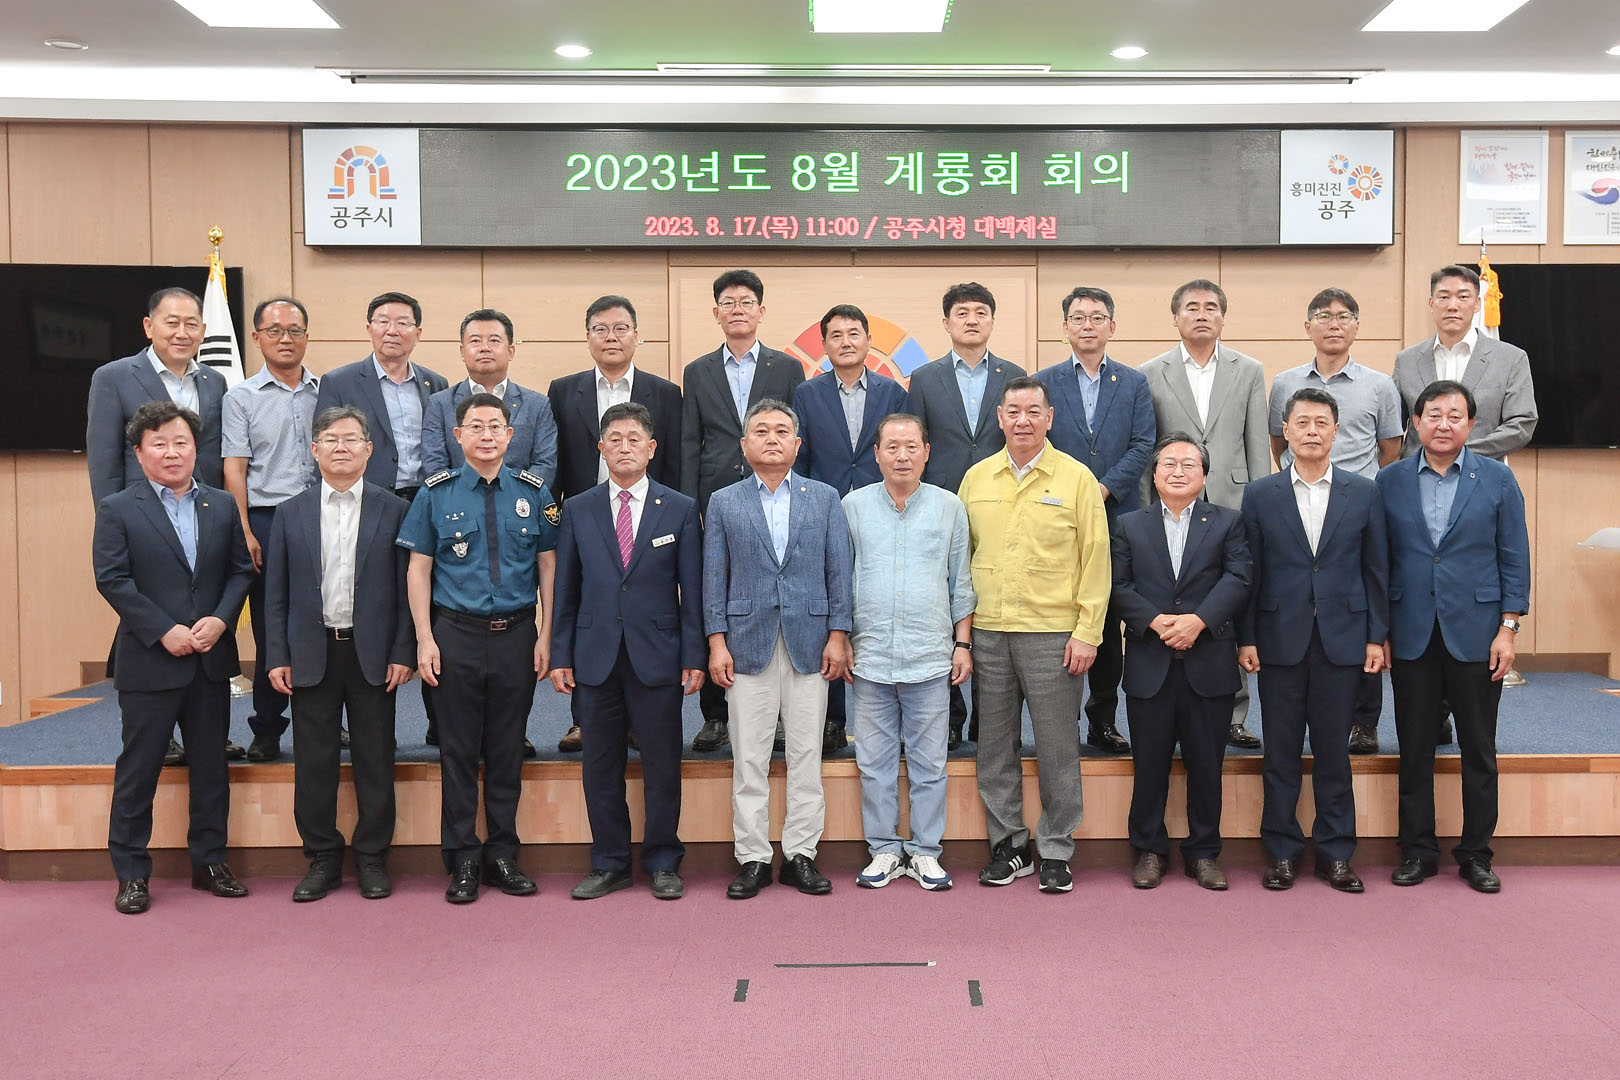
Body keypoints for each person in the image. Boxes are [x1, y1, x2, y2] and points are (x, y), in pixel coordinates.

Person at [92, 400, 255, 913]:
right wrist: (163, 630)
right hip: (151, 660)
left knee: (211, 767)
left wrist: (221, 620)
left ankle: (210, 862)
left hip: (209, 657)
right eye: (159, 443)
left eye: (181, 442)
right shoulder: (118, 508)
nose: (172, 452)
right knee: (139, 770)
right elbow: (112, 579)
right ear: (139, 452)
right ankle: (131, 873)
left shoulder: (222, 505)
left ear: (195, 448)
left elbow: (240, 571)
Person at [396, 392, 559, 904]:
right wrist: (424, 637)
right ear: (458, 435)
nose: (486, 435)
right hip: (454, 635)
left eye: (495, 427)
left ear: (510, 437)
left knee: (507, 749)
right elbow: (418, 569)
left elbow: (548, 567)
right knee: (458, 752)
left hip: (516, 636)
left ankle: (503, 854)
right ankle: (463, 857)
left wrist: (547, 634)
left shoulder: (534, 492)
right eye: (476, 426)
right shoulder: (435, 493)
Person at [959, 377, 1110, 894]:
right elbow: (961, 557)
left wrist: (1088, 631)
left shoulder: (1077, 478)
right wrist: (962, 635)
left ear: (1049, 418)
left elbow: (1096, 558)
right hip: (990, 630)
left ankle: (1056, 848)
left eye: (1033, 411)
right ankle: (1008, 845)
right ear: (1000, 418)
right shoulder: (977, 478)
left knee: (1056, 745)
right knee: (993, 745)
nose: (1022, 420)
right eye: (1013, 411)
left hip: (1053, 634)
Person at [1378, 380, 1530, 894]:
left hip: (1478, 634)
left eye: (1455, 416)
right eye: (1434, 415)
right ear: (1416, 422)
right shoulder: (1390, 480)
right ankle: (1417, 851)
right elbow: (1378, 562)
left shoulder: (1497, 479)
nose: (1444, 424)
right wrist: (1380, 632)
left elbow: (1514, 556)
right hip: (1412, 632)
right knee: (1414, 749)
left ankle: (1476, 855)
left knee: (1479, 750)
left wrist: (1508, 628)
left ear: (1471, 423)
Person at [550, 402, 704, 901]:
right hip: (594, 656)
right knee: (599, 766)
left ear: (651, 448)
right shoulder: (578, 509)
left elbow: (692, 592)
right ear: (601, 448)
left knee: (662, 765)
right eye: (614, 439)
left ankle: (663, 861)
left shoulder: (679, 508)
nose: (624, 447)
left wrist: (694, 656)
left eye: (634, 438)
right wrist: (559, 654)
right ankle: (609, 861)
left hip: (658, 655)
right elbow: (565, 590)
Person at [262, 405, 414, 902]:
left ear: (369, 450)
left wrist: (403, 651)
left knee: (376, 761)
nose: (341, 447)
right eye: (330, 439)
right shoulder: (290, 512)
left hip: (373, 656)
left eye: (351, 439)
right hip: (311, 653)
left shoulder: (394, 509)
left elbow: (406, 590)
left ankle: (371, 858)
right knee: (314, 764)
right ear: (314, 450)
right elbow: (275, 595)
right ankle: (322, 858)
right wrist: (277, 655)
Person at [1239, 388, 1388, 893]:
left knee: (1334, 755)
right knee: (1279, 754)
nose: (1311, 431)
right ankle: (1281, 853)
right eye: (1301, 422)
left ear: (1336, 431)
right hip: (1278, 640)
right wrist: (1247, 637)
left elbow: (1376, 571)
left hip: (1342, 642)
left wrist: (1376, 638)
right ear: (1286, 432)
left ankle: (1336, 854)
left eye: (1321, 423)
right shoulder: (1261, 494)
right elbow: (1250, 574)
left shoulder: (1363, 492)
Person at [704, 399, 852, 899]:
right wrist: (716, 642)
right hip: (746, 644)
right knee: (750, 757)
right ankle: (752, 857)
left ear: (797, 443)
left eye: (782, 431)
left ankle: (801, 854)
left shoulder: (824, 498)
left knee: (807, 754)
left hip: (812, 643)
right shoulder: (724, 501)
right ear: (744, 445)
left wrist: (839, 634)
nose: (772, 438)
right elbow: (713, 578)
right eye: (761, 431)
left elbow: (838, 571)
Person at [86, 286, 239, 766]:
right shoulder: (114, 376)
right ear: (149, 326)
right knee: (148, 617)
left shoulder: (214, 380)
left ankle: (203, 729)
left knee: (199, 608)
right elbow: (104, 458)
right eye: (172, 322)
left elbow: (212, 455)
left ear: (203, 331)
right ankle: (160, 729)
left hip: (200, 513)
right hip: (141, 520)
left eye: (192, 323)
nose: (182, 332)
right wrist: (114, 522)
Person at [1394, 264, 1539, 730]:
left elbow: (1523, 422)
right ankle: (1434, 713)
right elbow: (1402, 429)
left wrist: (1462, 452)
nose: (1452, 304)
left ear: (1478, 303)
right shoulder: (1407, 360)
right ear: (1430, 303)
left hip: (1482, 487)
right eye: (1443, 296)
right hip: (1421, 488)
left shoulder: (1509, 357)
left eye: (1462, 296)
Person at [1112, 434, 1251, 891]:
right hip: (1150, 663)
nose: (1177, 471)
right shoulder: (1130, 525)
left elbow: (1238, 578)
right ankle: (1149, 850)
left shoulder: (1228, 522)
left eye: (1189, 464)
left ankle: (1204, 853)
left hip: (1208, 661)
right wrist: (1156, 622)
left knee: (1207, 765)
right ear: (1154, 475)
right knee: (1149, 765)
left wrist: (1199, 621)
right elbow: (1118, 585)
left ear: (1204, 475)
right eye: (1168, 463)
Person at [841, 413, 975, 891]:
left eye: (911, 446)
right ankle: (883, 849)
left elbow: (962, 583)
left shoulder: (949, 507)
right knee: (873, 764)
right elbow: (841, 580)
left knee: (929, 764)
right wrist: (842, 638)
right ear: (876, 454)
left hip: (930, 655)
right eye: (892, 447)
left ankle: (924, 851)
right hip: (871, 657)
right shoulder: (852, 507)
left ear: (927, 452)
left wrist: (963, 644)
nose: (902, 455)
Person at [1268, 288, 1403, 755]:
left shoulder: (1380, 385)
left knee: (1358, 604)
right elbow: (1277, 444)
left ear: (1357, 327)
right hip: (1300, 504)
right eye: (1324, 316)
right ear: (1308, 326)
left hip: (1357, 508)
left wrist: (1355, 489)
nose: (1334, 324)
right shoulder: (1285, 383)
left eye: (1344, 316)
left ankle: (1364, 720)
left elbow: (1391, 448)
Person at [546, 295, 683, 752]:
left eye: (621, 328)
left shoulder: (665, 393)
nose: (611, 337)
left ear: (637, 336)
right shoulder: (563, 390)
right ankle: (584, 719)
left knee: (644, 612)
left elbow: (674, 464)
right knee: (588, 614)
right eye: (601, 329)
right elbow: (557, 462)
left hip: (648, 518)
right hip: (587, 520)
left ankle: (639, 720)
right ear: (588, 337)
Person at [316, 291, 449, 752]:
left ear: (418, 331)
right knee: (367, 597)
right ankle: (353, 713)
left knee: (430, 604)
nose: (393, 330)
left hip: (424, 502)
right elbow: (327, 443)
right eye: (383, 321)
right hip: (367, 502)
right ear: (369, 328)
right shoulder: (339, 381)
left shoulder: (435, 383)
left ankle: (440, 717)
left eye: (403, 322)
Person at [1139, 279, 1270, 750]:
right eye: (1191, 307)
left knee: (1231, 602)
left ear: (1222, 317)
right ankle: (1173, 708)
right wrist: (1148, 507)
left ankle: (1234, 713)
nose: (1201, 314)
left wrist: (1260, 504)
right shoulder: (1150, 372)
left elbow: (1257, 442)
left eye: (1211, 307)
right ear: (1175, 317)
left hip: (1233, 502)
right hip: (1171, 503)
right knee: (1177, 600)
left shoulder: (1249, 369)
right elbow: (1148, 448)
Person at [680, 270, 806, 753]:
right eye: (729, 302)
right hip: (717, 498)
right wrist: (691, 507)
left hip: (775, 495)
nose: (738, 309)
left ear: (761, 311)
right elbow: (691, 442)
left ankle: (778, 715)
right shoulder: (698, 370)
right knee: (715, 596)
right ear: (716, 313)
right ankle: (715, 714)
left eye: (747, 301)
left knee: (773, 596)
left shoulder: (787, 367)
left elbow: (794, 436)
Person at [1035, 286, 1156, 756]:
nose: (1088, 325)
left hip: (1116, 514)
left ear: (1112, 326)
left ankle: (1102, 720)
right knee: (1061, 617)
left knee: (1105, 621)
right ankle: (1059, 721)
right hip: (1055, 515)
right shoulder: (1043, 382)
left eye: (1097, 317)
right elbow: (1037, 442)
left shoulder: (1134, 382)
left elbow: (1143, 444)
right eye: (1079, 317)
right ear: (1064, 326)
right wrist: (1072, 495)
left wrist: (1101, 489)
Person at [904, 282, 1026, 748]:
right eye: (962, 312)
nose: (971, 319)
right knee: (945, 608)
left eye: (980, 312)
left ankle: (988, 718)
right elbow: (917, 440)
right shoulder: (924, 378)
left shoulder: (1015, 374)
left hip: (1001, 504)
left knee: (990, 608)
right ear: (946, 322)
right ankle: (952, 715)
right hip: (940, 503)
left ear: (992, 320)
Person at [792, 304, 909, 755]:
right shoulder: (806, 394)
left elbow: (900, 450)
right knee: (831, 616)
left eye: (854, 333)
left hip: (882, 513)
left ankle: (894, 717)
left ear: (868, 341)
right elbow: (801, 459)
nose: (846, 341)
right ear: (824, 344)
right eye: (836, 335)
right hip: (825, 514)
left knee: (880, 606)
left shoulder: (892, 392)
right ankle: (832, 719)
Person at [221, 297, 320, 763]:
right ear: (257, 337)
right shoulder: (240, 397)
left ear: (306, 336)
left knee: (328, 620)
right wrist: (244, 529)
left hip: (322, 515)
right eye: (275, 330)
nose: (286, 338)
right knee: (270, 624)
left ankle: (325, 720)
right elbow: (235, 469)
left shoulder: (328, 390)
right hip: (266, 519)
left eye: (295, 330)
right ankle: (267, 726)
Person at [421, 308, 559, 487]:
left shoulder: (537, 405)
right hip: (456, 501)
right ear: (462, 352)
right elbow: (434, 464)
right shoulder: (440, 403)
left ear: (511, 351)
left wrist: (510, 496)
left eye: (494, 341)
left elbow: (544, 464)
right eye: (475, 341)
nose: (485, 348)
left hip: (520, 501)